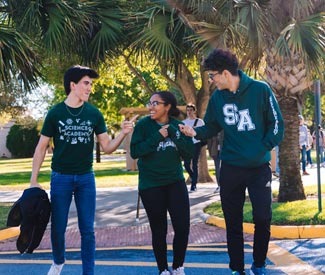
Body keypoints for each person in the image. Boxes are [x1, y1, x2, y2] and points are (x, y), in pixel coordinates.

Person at [179, 48, 284, 275]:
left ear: (225, 73)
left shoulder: (260, 90)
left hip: (259, 169)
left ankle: (259, 264)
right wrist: (193, 132)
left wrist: (262, 147)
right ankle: (237, 268)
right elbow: (211, 127)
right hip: (230, 169)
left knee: (263, 218)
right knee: (232, 221)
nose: (211, 81)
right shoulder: (218, 98)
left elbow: (276, 124)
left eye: (213, 76)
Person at [29, 65, 136, 275]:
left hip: (86, 178)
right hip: (61, 177)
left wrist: (123, 134)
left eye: (91, 84)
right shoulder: (56, 113)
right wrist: (34, 180)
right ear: (73, 85)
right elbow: (41, 147)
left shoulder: (94, 113)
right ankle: (58, 261)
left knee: (87, 230)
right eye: (86, 83)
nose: (90, 88)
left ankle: (89, 272)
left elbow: (106, 147)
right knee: (58, 227)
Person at [130, 91, 194, 275]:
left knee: (182, 226)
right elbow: (135, 151)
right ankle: (163, 270)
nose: (151, 107)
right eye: (150, 103)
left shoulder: (177, 125)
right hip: (151, 186)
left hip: (175, 183)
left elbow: (189, 153)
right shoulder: (143, 126)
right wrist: (158, 136)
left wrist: (176, 135)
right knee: (159, 230)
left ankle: (178, 267)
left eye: (155, 103)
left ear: (167, 106)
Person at [182, 103, 205, 191]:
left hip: (196, 143)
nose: (189, 112)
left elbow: (203, 132)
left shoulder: (199, 121)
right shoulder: (184, 122)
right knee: (186, 164)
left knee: (195, 163)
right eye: (187, 110)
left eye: (191, 110)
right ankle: (193, 177)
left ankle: (193, 184)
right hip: (187, 145)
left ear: (194, 111)